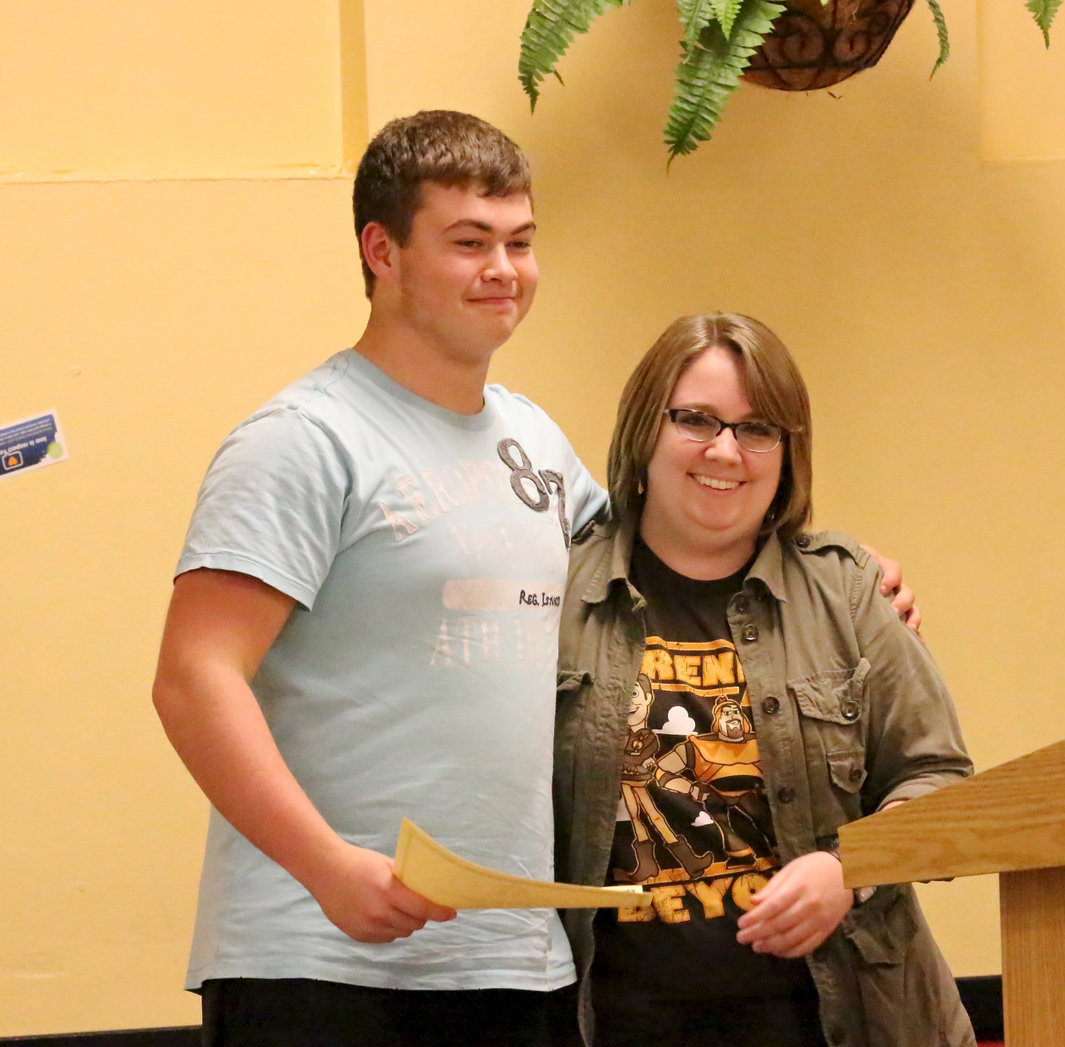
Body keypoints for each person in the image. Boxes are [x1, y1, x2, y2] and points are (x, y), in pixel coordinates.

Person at [151, 112, 919, 1045]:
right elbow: (195, 676)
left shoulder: (534, 442)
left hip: (519, 961)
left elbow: (676, 543)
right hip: (322, 954)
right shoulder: (303, 440)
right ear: (381, 250)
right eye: (468, 242)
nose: (503, 270)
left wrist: (833, 568)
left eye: (520, 241)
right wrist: (325, 867)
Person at [554, 312, 976, 1047]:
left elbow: (939, 776)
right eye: (696, 420)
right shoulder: (556, 591)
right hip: (615, 1019)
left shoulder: (845, 593)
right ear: (643, 431)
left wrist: (851, 869)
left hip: (838, 1018)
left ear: (787, 453)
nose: (726, 450)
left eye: (757, 429)